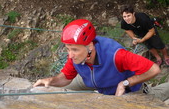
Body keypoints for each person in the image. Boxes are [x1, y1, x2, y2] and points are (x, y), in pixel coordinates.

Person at [33, 19, 161, 97]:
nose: (70, 55)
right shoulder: (77, 55)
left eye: (75, 50)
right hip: (95, 80)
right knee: (57, 90)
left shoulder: (116, 55)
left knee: (158, 94)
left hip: (128, 90)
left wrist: (125, 83)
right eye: (68, 49)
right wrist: (50, 80)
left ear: (89, 46)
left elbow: (154, 70)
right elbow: (66, 77)